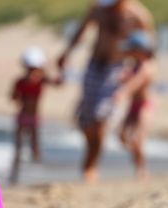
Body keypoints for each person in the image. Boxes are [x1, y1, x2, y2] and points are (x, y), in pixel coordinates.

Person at [57, 0, 153, 183]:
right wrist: (66, 52)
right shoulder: (98, 9)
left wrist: (138, 73)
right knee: (86, 120)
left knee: (101, 116)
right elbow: (81, 31)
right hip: (94, 64)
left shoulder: (138, 15)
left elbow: (147, 46)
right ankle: (91, 151)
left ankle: (91, 165)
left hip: (116, 68)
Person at [10, 47, 61, 184]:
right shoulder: (21, 81)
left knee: (35, 147)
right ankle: (14, 176)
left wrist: (51, 70)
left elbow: (58, 83)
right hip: (23, 116)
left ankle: (37, 176)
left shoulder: (41, 79)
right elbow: (13, 97)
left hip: (34, 117)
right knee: (19, 148)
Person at [115, 30, 156, 180]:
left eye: (132, 50)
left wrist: (123, 92)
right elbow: (126, 77)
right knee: (122, 135)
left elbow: (138, 81)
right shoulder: (134, 65)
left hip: (145, 106)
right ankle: (137, 161)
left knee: (138, 139)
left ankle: (142, 170)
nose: (129, 53)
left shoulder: (148, 66)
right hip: (132, 106)